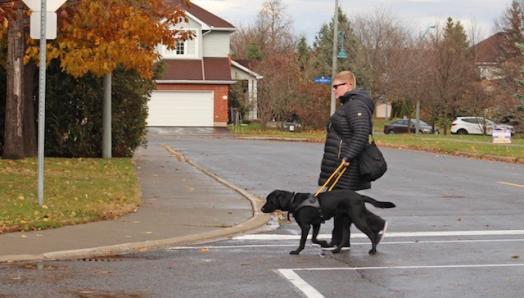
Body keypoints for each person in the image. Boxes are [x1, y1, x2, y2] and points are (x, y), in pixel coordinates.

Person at [318, 70, 374, 249]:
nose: (334, 90)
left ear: (348, 85)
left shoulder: (356, 106)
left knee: (342, 204)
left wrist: (347, 157)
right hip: (339, 162)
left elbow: (361, 134)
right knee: (340, 205)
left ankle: (376, 228)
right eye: (333, 87)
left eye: (336, 86)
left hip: (347, 165)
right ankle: (340, 241)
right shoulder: (349, 104)